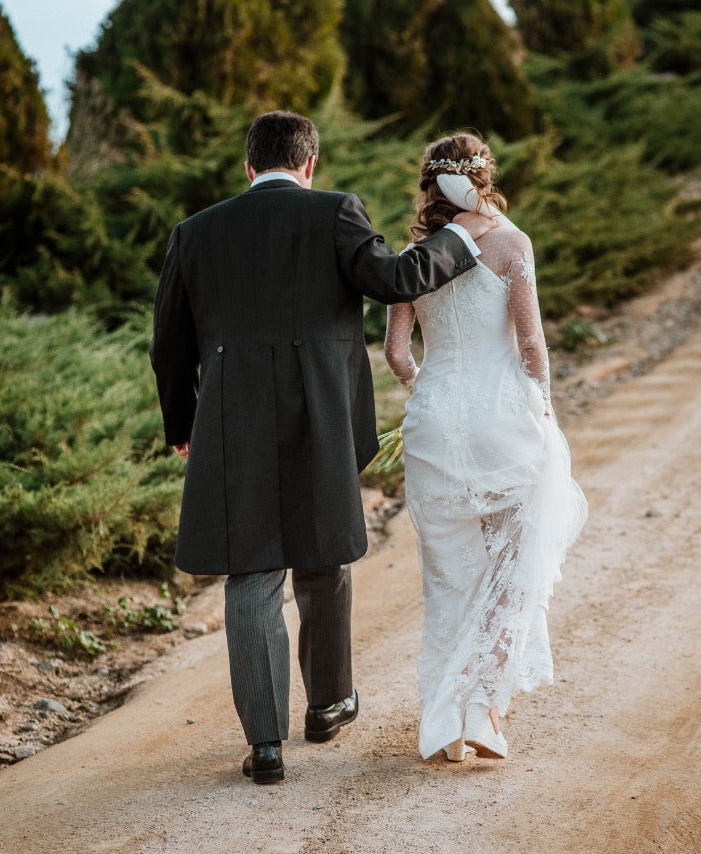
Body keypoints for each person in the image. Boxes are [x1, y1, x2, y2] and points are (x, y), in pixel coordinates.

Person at [149, 111, 492, 784]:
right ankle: (330, 704)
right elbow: (395, 281)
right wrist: (459, 238)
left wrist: (185, 424)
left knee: (251, 575)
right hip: (321, 419)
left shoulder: (195, 233)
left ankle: (266, 747)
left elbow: (168, 345)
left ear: (249, 167)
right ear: (310, 164)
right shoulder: (336, 213)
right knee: (324, 556)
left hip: (230, 421)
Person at [384, 133, 587, 762]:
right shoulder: (510, 242)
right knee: (511, 567)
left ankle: (444, 726)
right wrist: (543, 405)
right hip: (502, 420)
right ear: (485, 177)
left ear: (430, 184)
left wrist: (425, 389)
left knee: (448, 577)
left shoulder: (412, 255)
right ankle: (485, 711)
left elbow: (396, 353)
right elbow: (532, 343)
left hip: (435, 423)